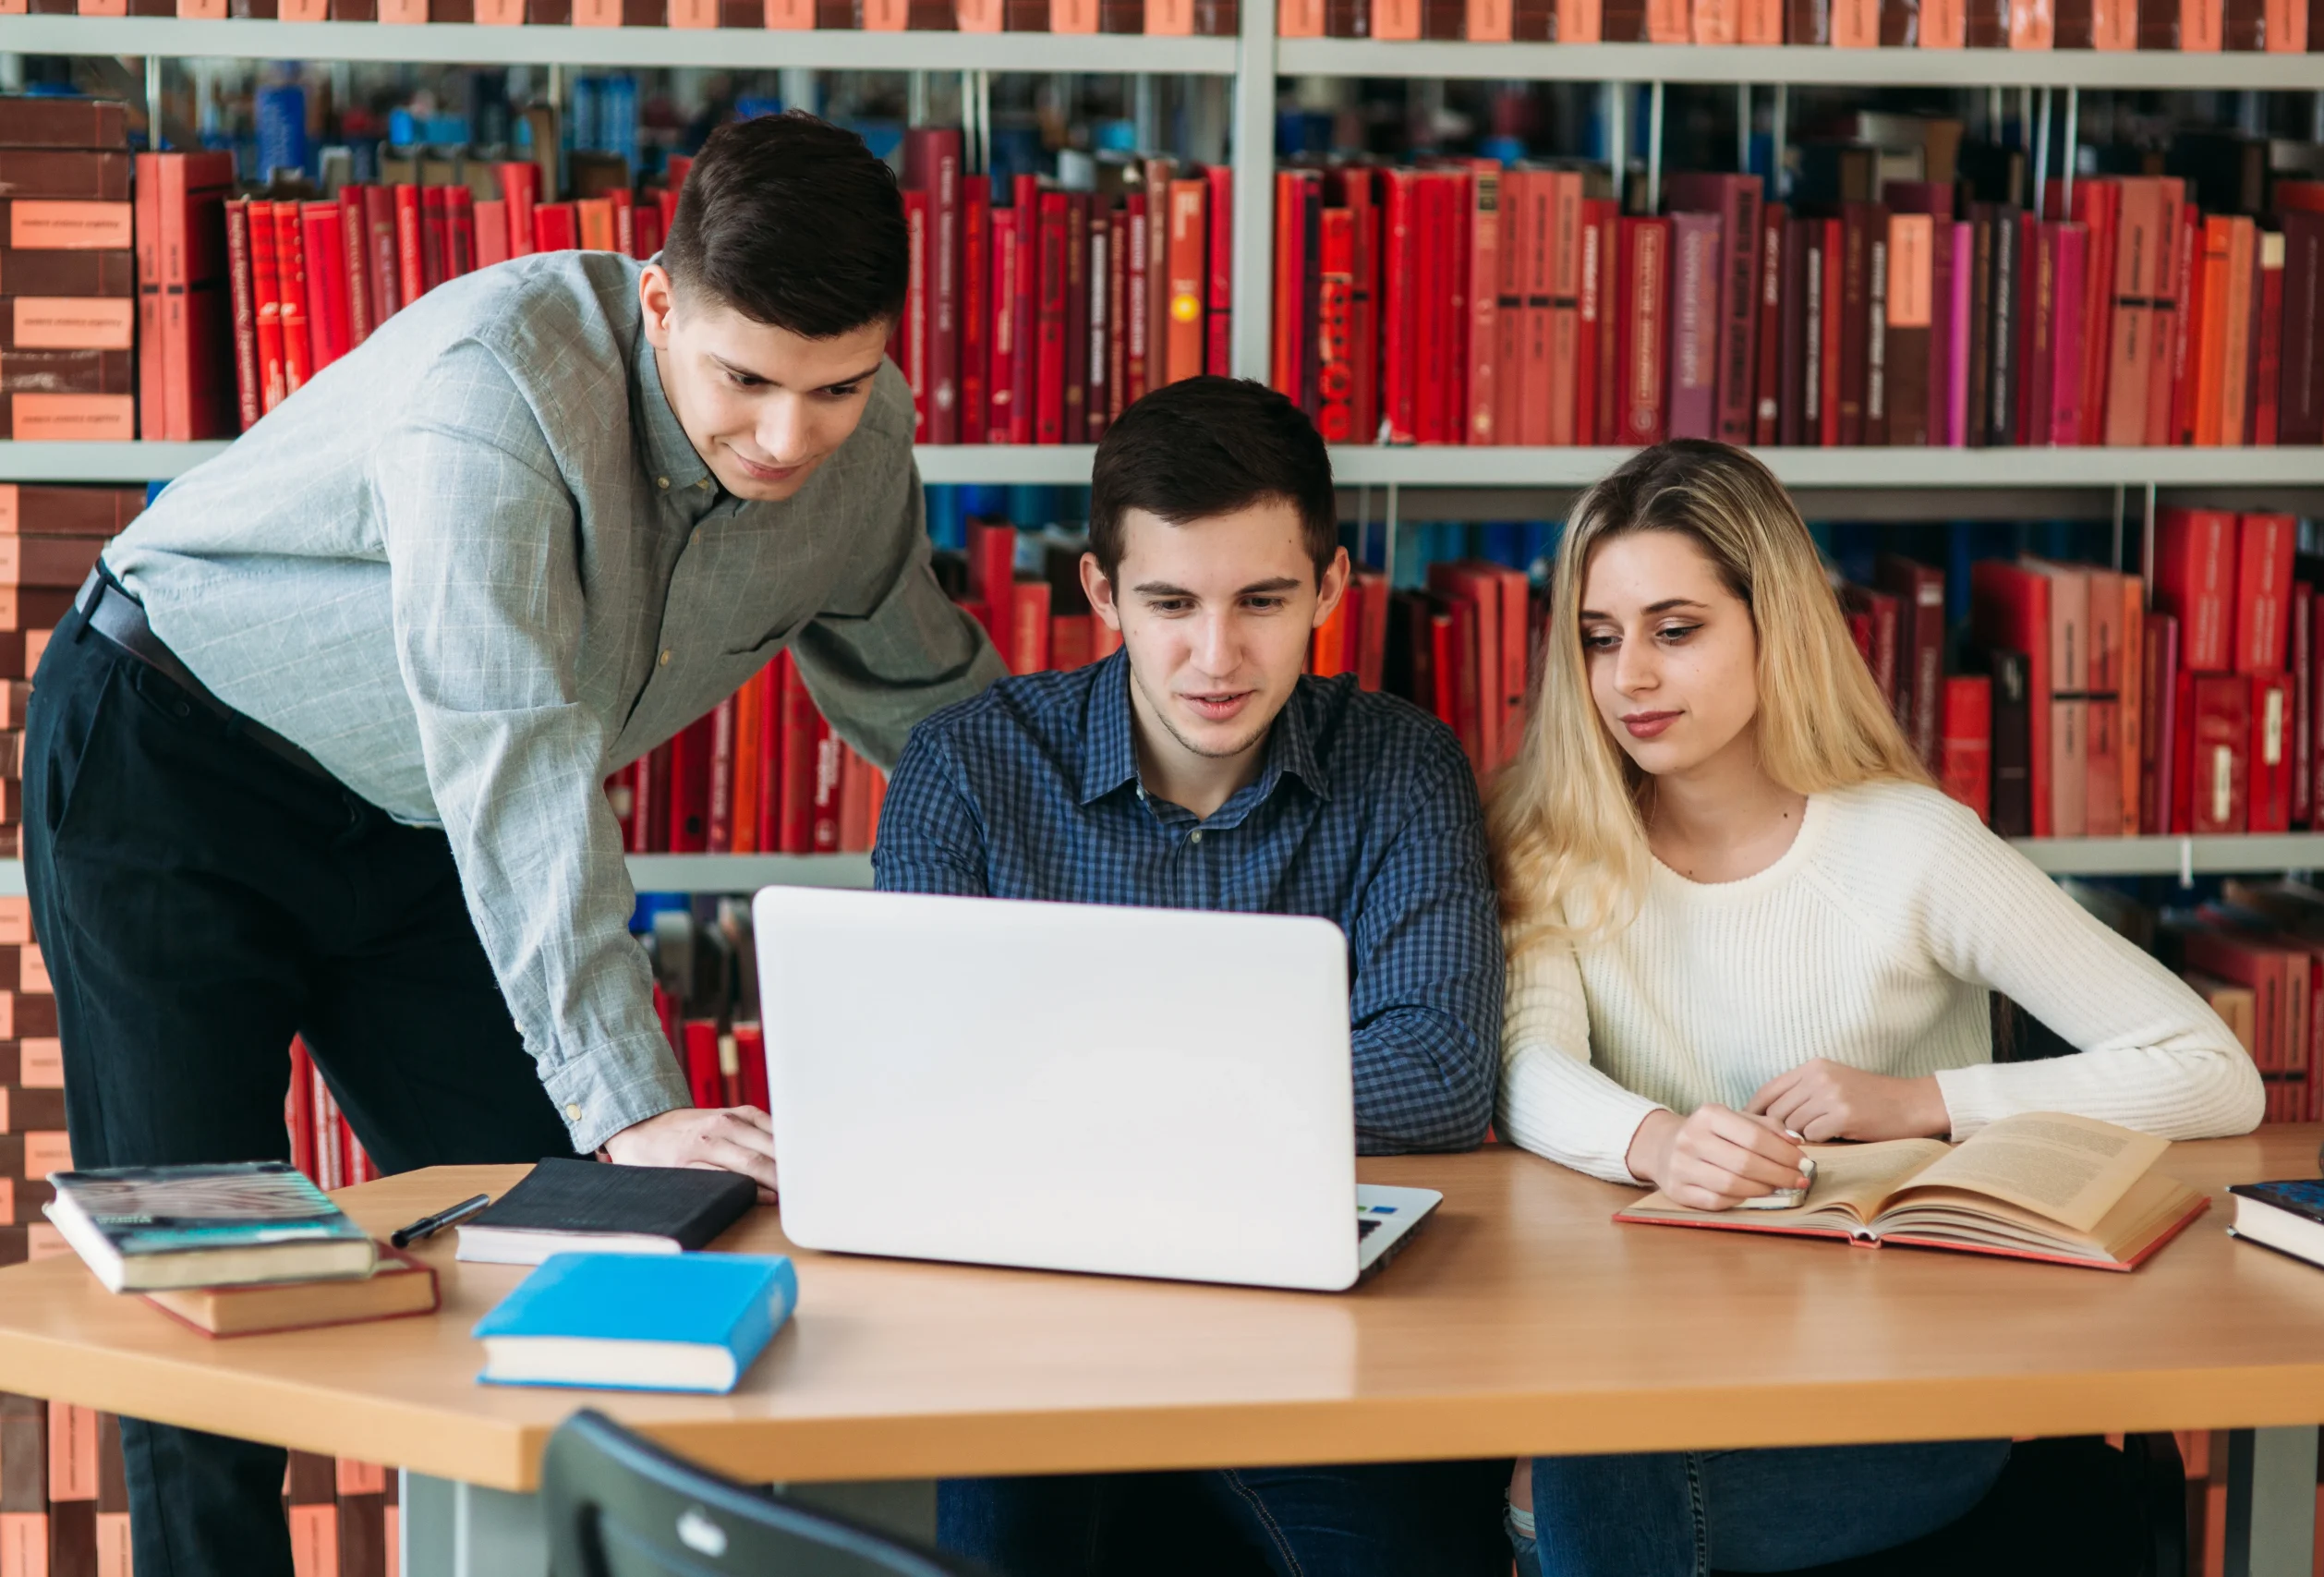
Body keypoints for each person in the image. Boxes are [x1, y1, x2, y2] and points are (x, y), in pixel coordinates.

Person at [26, 113, 1001, 1577]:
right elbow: (514, 748)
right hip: (175, 768)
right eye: (745, 380)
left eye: (837, 386)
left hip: (423, 825)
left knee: (585, 1265)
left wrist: (1115, 878)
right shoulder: (498, 388)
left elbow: (929, 700)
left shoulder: (857, 456)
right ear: (659, 298)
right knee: (210, 1299)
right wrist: (633, 1105)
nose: (789, 438)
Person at [1485, 440, 2264, 1577]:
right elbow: (1524, 1064)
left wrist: (1921, 1102)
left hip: (1905, 1391)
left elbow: (2208, 1068)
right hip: (1658, 1366)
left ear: (1775, 627)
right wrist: (1651, 1140)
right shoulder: (1559, 847)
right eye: (1599, 640)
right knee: (1578, 1446)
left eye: (1675, 630)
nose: (1628, 679)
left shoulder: (1910, 847)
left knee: (1579, 1471)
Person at [871, 374, 1507, 1577]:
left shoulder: (1401, 764)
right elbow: (921, 1089)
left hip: (1319, 1335)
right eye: (1170, 602)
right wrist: (1248, 1098)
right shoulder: (968, 766)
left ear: (1330, 586)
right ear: (1101, 591)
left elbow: (1434, 1071)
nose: (1217, 656)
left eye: (1265, 600)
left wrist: (1070, 1092)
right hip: (1035, 1338)